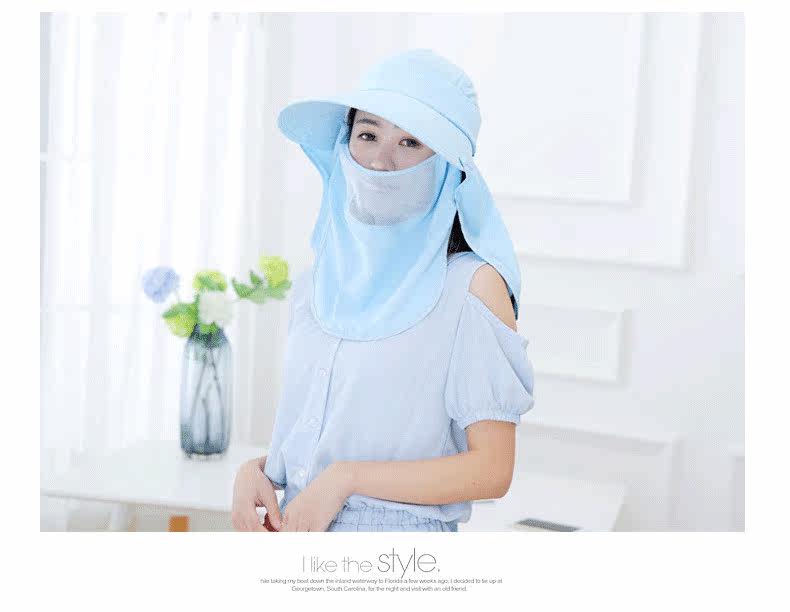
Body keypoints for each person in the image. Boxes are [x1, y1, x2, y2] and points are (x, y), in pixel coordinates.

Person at [232, 49, 535, 532]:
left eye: (411, 142)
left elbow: (492, 470)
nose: (380, 160)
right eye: (367, 134)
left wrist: (346, 480)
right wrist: (260, 471)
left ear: (448, 167)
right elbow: (334, 434)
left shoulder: (472, 287)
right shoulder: (315, 284)